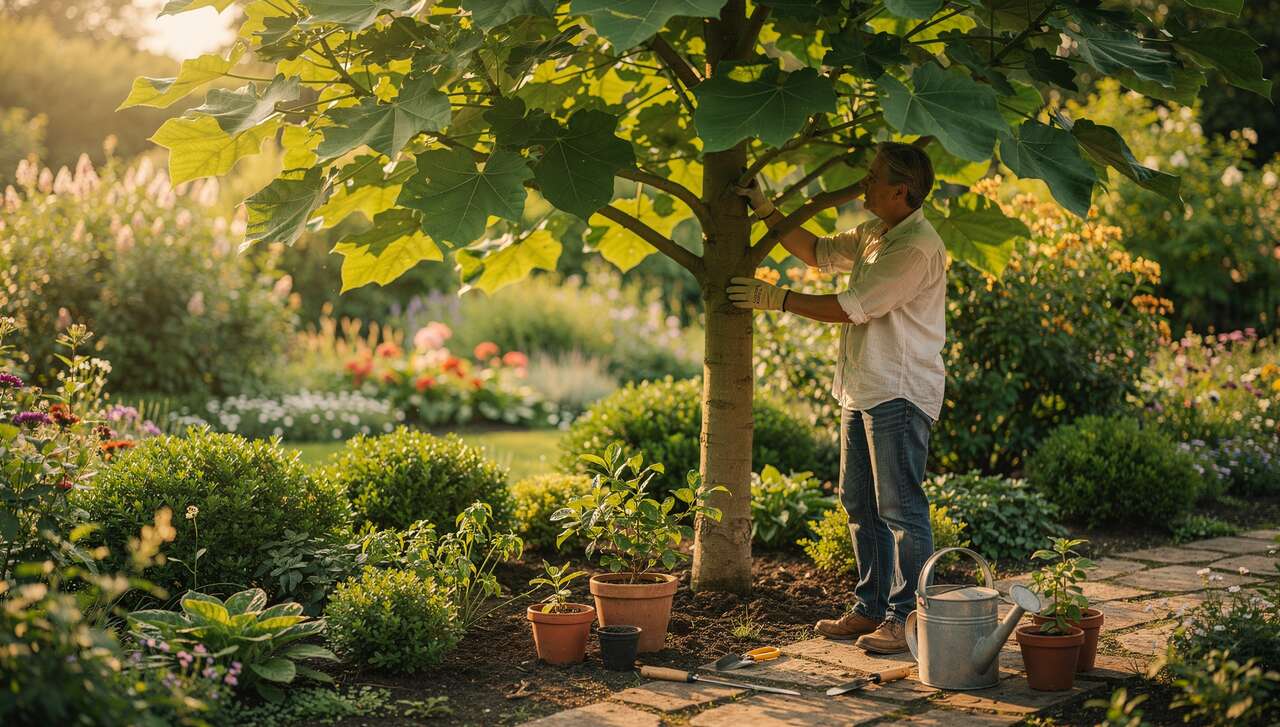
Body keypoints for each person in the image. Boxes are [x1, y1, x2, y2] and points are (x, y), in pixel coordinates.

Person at [729, 142, 945, 655]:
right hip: (862, 386)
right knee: (859, 502)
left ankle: (908, 618)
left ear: (901, 191)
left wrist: (777, 299)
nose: (863, 183)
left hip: (898, 389)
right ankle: (871, 607)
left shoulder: (915, 248)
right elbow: (817, 253)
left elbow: (853, 306)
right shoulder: (875, 233)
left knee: (900, 508)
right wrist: (766, 209)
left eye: (873, 177)